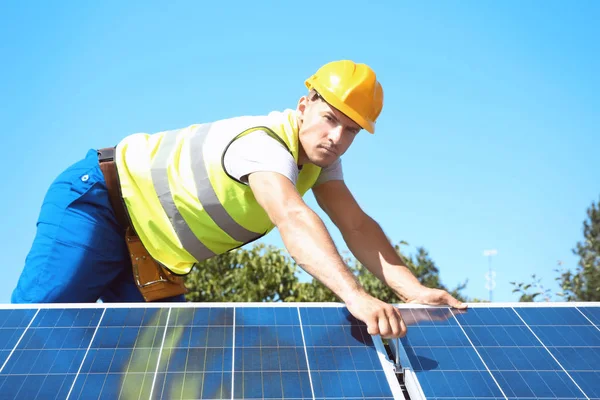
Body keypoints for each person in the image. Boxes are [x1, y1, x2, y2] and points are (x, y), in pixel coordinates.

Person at [12, 60, 466, 338]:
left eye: (351, 130)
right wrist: (356, 296)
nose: (336, 138)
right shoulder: (263, 143)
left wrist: (413, 290)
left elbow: (357, 225)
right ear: (304, 105)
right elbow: (290, 214)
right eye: (330, 119)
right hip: (101, 203)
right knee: (35, 337)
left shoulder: (319, 162)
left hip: (152, 258)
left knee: (155, 375)